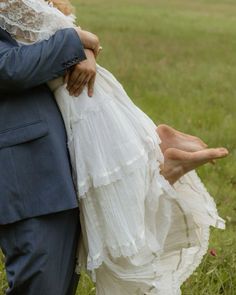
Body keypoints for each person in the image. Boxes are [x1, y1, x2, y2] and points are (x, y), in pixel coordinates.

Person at [0, 1, 228, 294]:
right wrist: (79, 43)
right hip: (26, 162)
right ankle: (159, 157)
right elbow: (9, 68)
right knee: (46, 277)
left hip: (56, 146)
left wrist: (84, 48)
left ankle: (158, 156)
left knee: (96, 225)